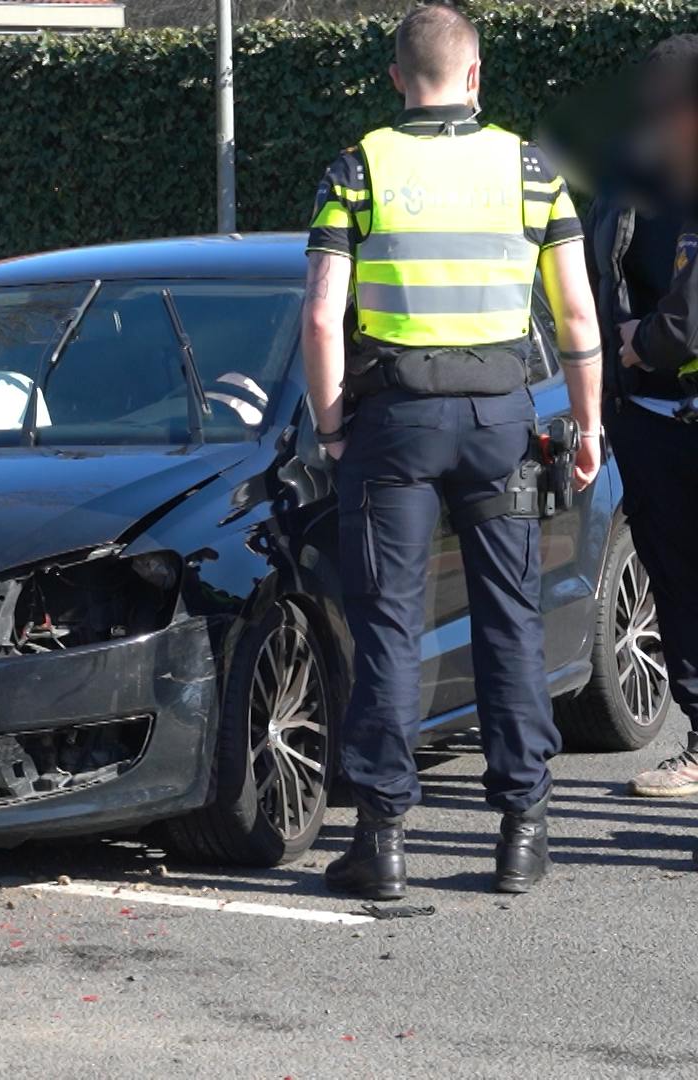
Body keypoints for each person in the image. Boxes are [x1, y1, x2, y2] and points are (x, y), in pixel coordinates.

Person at [301, 3, 603, 898]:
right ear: (475, 74)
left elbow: (322, 316)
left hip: (394, 428)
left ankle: (382, 843)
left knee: (388, 623)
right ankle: (521, 835)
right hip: (500, 422)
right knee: (508, 617)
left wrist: (328, 428)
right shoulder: (530, 169)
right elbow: (578, 316)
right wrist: (587, 427)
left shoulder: (359, 169)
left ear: (398, 77)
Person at [585, 37, 698, 798]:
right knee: (679, 588)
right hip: (650, 424)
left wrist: (642, 343)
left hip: (670, 390)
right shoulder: (631, 177)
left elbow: (688, 322)